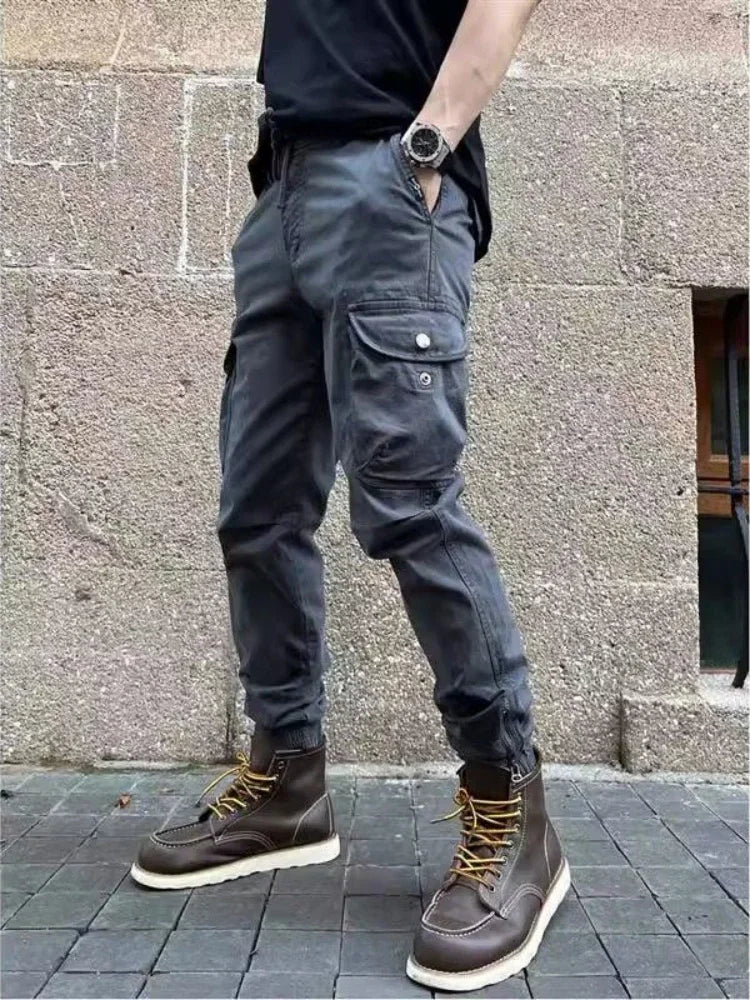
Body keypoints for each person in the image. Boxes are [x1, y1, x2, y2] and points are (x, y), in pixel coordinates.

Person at [131, 0, 569, 988]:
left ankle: (513, 810)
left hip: (390, 175)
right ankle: (286, 781)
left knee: (410, 506)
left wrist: (428, 145)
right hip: (286, 187)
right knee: (257, 508)